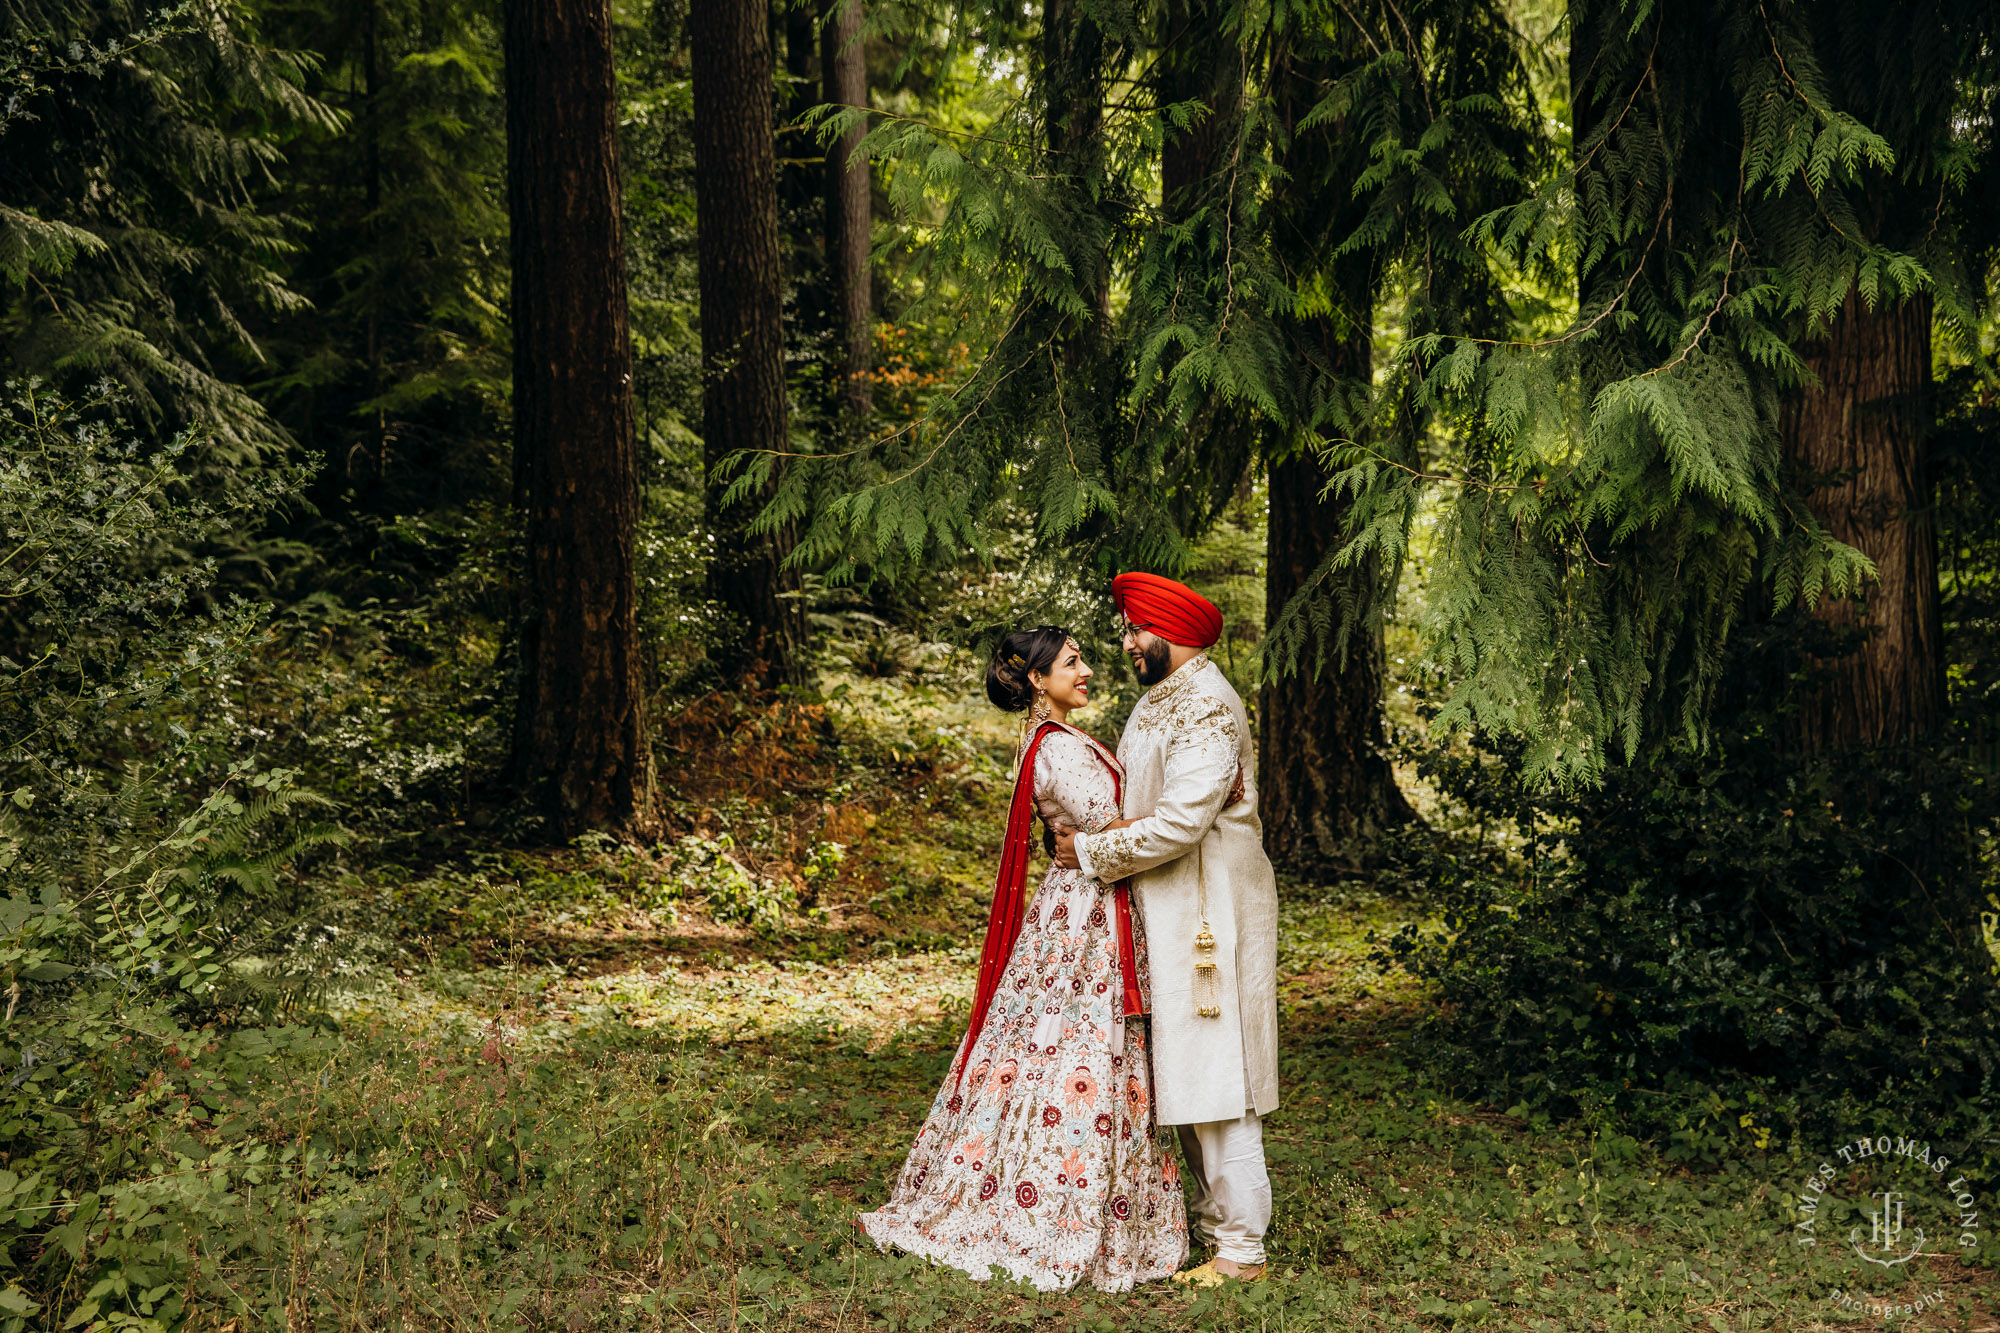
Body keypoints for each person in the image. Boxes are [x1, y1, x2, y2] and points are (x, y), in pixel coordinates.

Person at [858, 626, 1188, 1292]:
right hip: (1081, 916)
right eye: (1072, 662)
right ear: (1038, 679)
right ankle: (1051, 1206)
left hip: (1090, 899)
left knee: (1077, 1049)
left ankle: (1100, 1205)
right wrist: (1182, 813)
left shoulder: (1063, 741)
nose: (1087, 669)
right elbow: (1109, 826)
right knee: (1073, 1050)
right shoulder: (1057, 748)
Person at [1053, 573, 1280, 1287]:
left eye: (1133, 631)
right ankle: (1218, 1234)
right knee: (1188, 1075)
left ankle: (1242, 1250)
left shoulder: (1208, 707)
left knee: (1222, 1079)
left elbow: (1182, 823)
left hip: (1211, 916)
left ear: (1170, 633)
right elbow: (1148, 803)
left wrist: (1092, 850)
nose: (1125, 645)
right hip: (1172, 908)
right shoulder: (1161, 700)